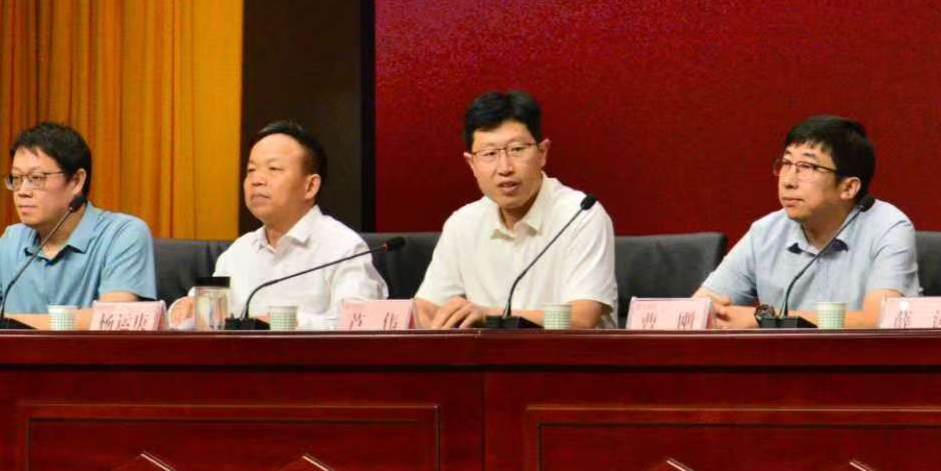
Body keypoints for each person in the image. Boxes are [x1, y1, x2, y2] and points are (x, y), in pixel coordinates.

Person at [414, 90, 616, 329]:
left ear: (543, 152)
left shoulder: (580, 214)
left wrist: (491, 317)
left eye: (517, 149)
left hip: (567, 353)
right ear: (472, 164)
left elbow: (581, 319)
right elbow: (425, 308)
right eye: (489, 154)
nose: (505, 168)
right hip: (484, 355)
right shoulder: (463, 223)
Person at [694, 115, 918, 329]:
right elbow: (699, 310)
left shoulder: (888, 228)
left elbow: (880, 320)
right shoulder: (766, 232)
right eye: (786, 163)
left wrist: (767, 319)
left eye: (808, 167)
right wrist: (711, 313)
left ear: (848, 187)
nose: (788, 180)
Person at [0, 121, 156, 331]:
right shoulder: (12, 240)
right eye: (16, 178)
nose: (22, 191)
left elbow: (113, 321)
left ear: (76, 181)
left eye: (36, 178)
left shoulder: (123, 234)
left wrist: (5, 322)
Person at [170, 121, 386, 327]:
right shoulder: (239, 251)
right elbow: (206, 315)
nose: (257, 180)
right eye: (251, 170)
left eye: (273, 169)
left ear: (310, 186)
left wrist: (286, 322)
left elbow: (358, 324)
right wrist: (186, 309)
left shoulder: (343, 248)